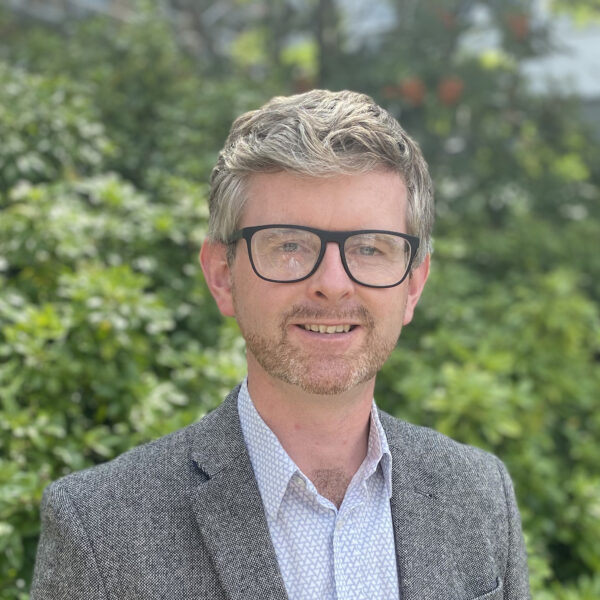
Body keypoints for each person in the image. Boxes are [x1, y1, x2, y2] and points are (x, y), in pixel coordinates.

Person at [32, 89, 530, 600]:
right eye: (290, 245)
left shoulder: (479, 494)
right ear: (222, 275)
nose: (333, 284)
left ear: (413, 284)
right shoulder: (99, 532)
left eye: (370, 248)